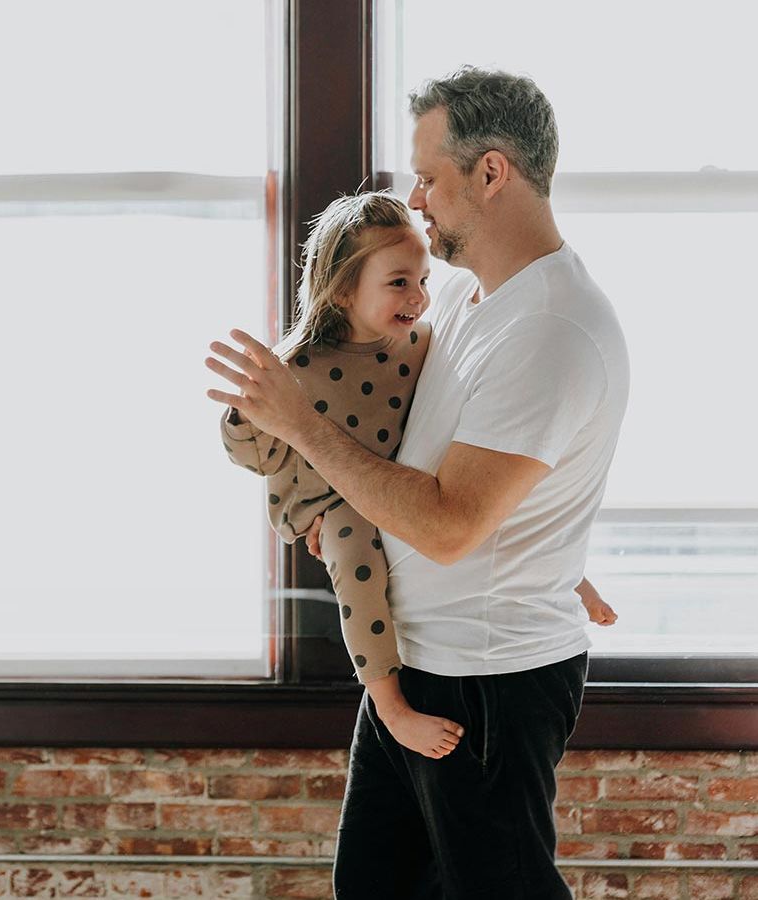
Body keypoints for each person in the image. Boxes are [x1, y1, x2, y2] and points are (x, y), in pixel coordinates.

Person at [206, 67, 628, 898]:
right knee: (372, 885)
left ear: (491, 172)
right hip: (417, 658)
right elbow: (422, 450)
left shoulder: (551, 329)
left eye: (430, 177)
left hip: (487, 679)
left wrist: (300, 426)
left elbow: (447, 523)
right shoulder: (473, 296)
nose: (420, 199)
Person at [219, 190, 617, 762]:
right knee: (357, 552)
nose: (419, 297)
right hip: (331, 501)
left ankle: (568, 576)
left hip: (395, 479)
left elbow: (484, 466)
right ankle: (389, 704)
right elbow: (252, 453)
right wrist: (240, 413)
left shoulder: (420, 342)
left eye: (424, 280)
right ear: (342, 288)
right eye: (399, 282)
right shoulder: (300, 366)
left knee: (481, 482)